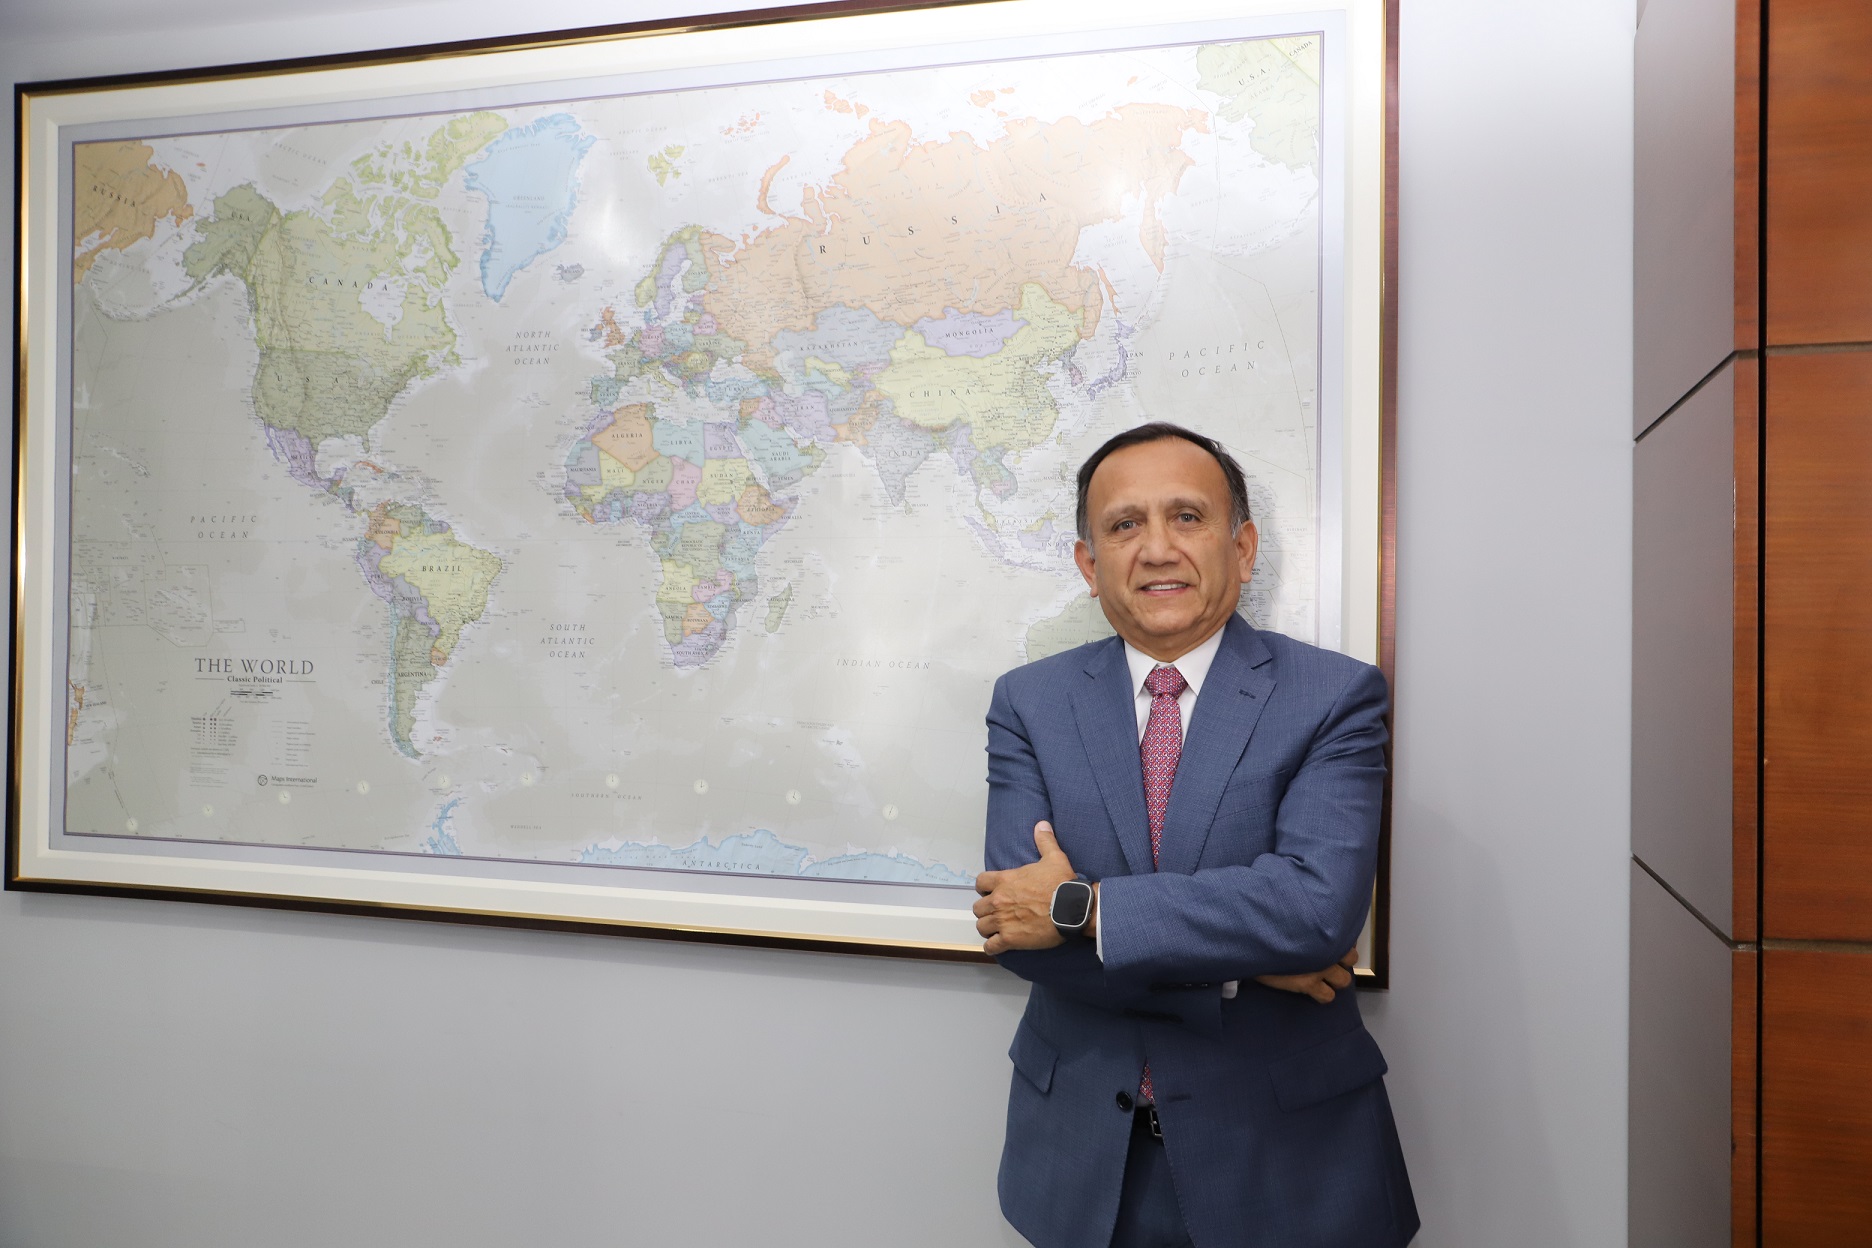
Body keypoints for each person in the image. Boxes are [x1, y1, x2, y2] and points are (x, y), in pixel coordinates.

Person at [973, 422, 1418, 1248]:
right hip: (1080, 1161)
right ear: (1088, 565)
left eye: (1187, 517)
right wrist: (1240, 973)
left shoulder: (1334, 696)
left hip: (1285, 1164)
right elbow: (1017, 927)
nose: (1156, 549)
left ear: (1242, 548)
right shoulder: (1029, 702)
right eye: (1124, 525)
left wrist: (1082, 909)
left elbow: (1315, 913)